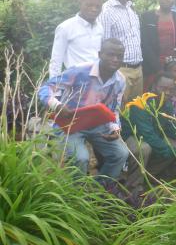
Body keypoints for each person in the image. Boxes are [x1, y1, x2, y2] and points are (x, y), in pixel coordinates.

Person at [38, 38, 129, 183]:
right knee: (81, 158)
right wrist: (57, 105)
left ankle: (98, 192)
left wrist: (114, 128)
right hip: (70, 124)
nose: (115, 59)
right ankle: (77, 195)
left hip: (97, 124)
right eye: (110, 54)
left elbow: (114, 108)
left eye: (119, 56)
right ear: (100, 54)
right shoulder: (80, 70)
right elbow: (45, 88)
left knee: (121, 154)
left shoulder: (120, 80)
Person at [122, 72, 176, 187]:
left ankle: (151, 176)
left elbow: (172, 128)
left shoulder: (167, 104)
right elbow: (148, 137)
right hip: (129, 137)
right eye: (163, 88)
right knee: (144, 148)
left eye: (171, 89)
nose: (167, 92)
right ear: (154, 86)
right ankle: (133, 186)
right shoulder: (141, 105)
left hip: (151, 136)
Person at [99, 0, 143, 102]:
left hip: (138, 70)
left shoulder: (131, 10)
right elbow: (105, 45)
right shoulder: (106, 11)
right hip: (120, 71)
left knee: (136, 113)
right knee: (118, 112)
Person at [140, 0, 176, 90]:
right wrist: (158, 67)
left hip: (174, 66)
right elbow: (145, 44)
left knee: (173, 94)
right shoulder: (147, 17)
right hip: (152, 65)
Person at [49, 0, 104, 77]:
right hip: (75, 82)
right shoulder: (65, 28)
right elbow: (56, 62)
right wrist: (55, 88)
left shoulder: (100, 28)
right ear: (80, 4)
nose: (94, 9)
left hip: (96, 81)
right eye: (89, 5)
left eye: (98, 6)